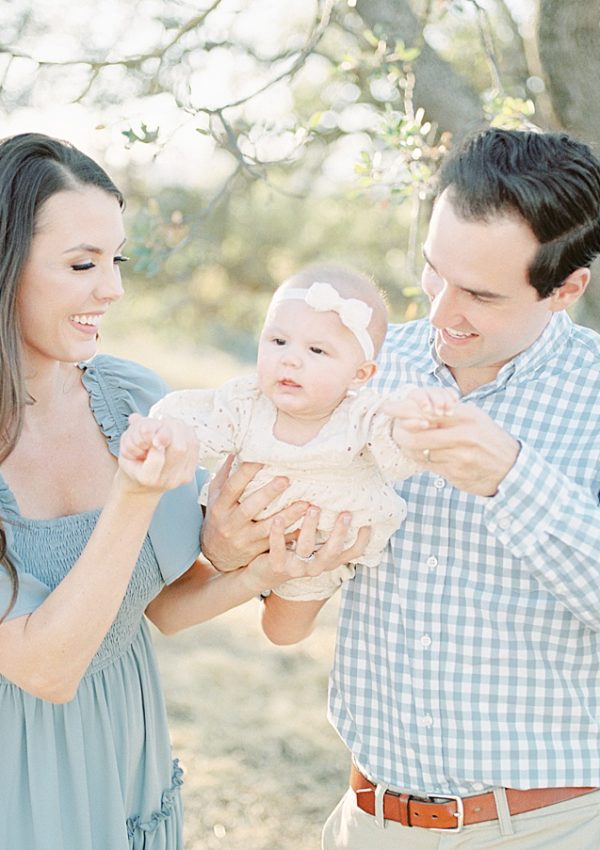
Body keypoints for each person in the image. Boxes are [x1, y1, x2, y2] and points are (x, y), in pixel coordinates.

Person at [202, 127, 600, 848]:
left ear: (566, 288)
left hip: (553, 829)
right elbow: (269, 545)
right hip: (372, 821)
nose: (442, 312)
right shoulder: (363, 366)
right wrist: (231, 545)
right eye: (433, 271)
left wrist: (512, 478)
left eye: (479, 293)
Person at [0, 132, 363, 850]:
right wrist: (133, 499)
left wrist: (260, 571)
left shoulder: (134, 397)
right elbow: (47, 667)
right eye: (82, 264)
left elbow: (154, 604)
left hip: (124, 740)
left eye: (116, 260)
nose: (113, 289)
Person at [144, 265, 457, 601]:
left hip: (328, 546)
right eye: (278, 341)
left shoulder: (360, 413)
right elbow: (198, 422)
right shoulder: (247, 404)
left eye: (317, 350)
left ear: (359, 374)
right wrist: (164, 433)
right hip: (250, 537)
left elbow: (394, 440)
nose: (290, 359)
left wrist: (418, 419)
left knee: (290, 618)